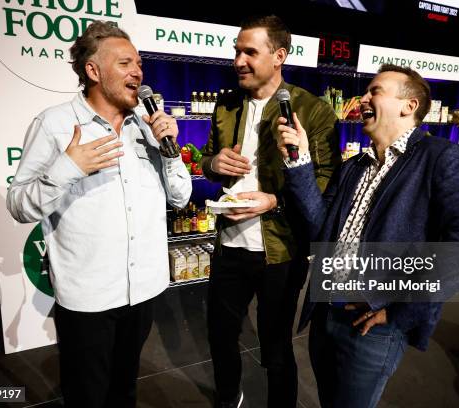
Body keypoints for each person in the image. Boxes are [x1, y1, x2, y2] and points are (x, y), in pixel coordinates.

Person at [277, 64, 459, 408]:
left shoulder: (440, 156)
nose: (362, 98)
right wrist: (300, 160)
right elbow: (320, 228)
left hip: (373, 325)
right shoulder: (353, 167)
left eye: (374, 91)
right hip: (326, 313)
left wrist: (401, 310)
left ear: (409, 106)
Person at [6, 21, 191, 408]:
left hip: (143, 290)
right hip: (88, 299)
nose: (138, 72)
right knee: (86, 395)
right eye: (125, 63)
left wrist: (170, 150)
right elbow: (18, 204)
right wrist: (67, 168)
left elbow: (181, 197)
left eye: (139, 63)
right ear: (93, 71)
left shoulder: (146, 126)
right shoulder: (55, 125)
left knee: (125, 389)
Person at [200, 15, 341, 408]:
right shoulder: (226, 105)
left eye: (249, 52)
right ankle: (229, 397)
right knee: (220, 334)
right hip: (228, 243)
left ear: (279, 55)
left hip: (281, 250)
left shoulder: (312, 110)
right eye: (236, 52)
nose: (238, 61)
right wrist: (214, 164)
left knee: (276, 347)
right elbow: (208, 159)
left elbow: (327, 181)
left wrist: (274, 200)